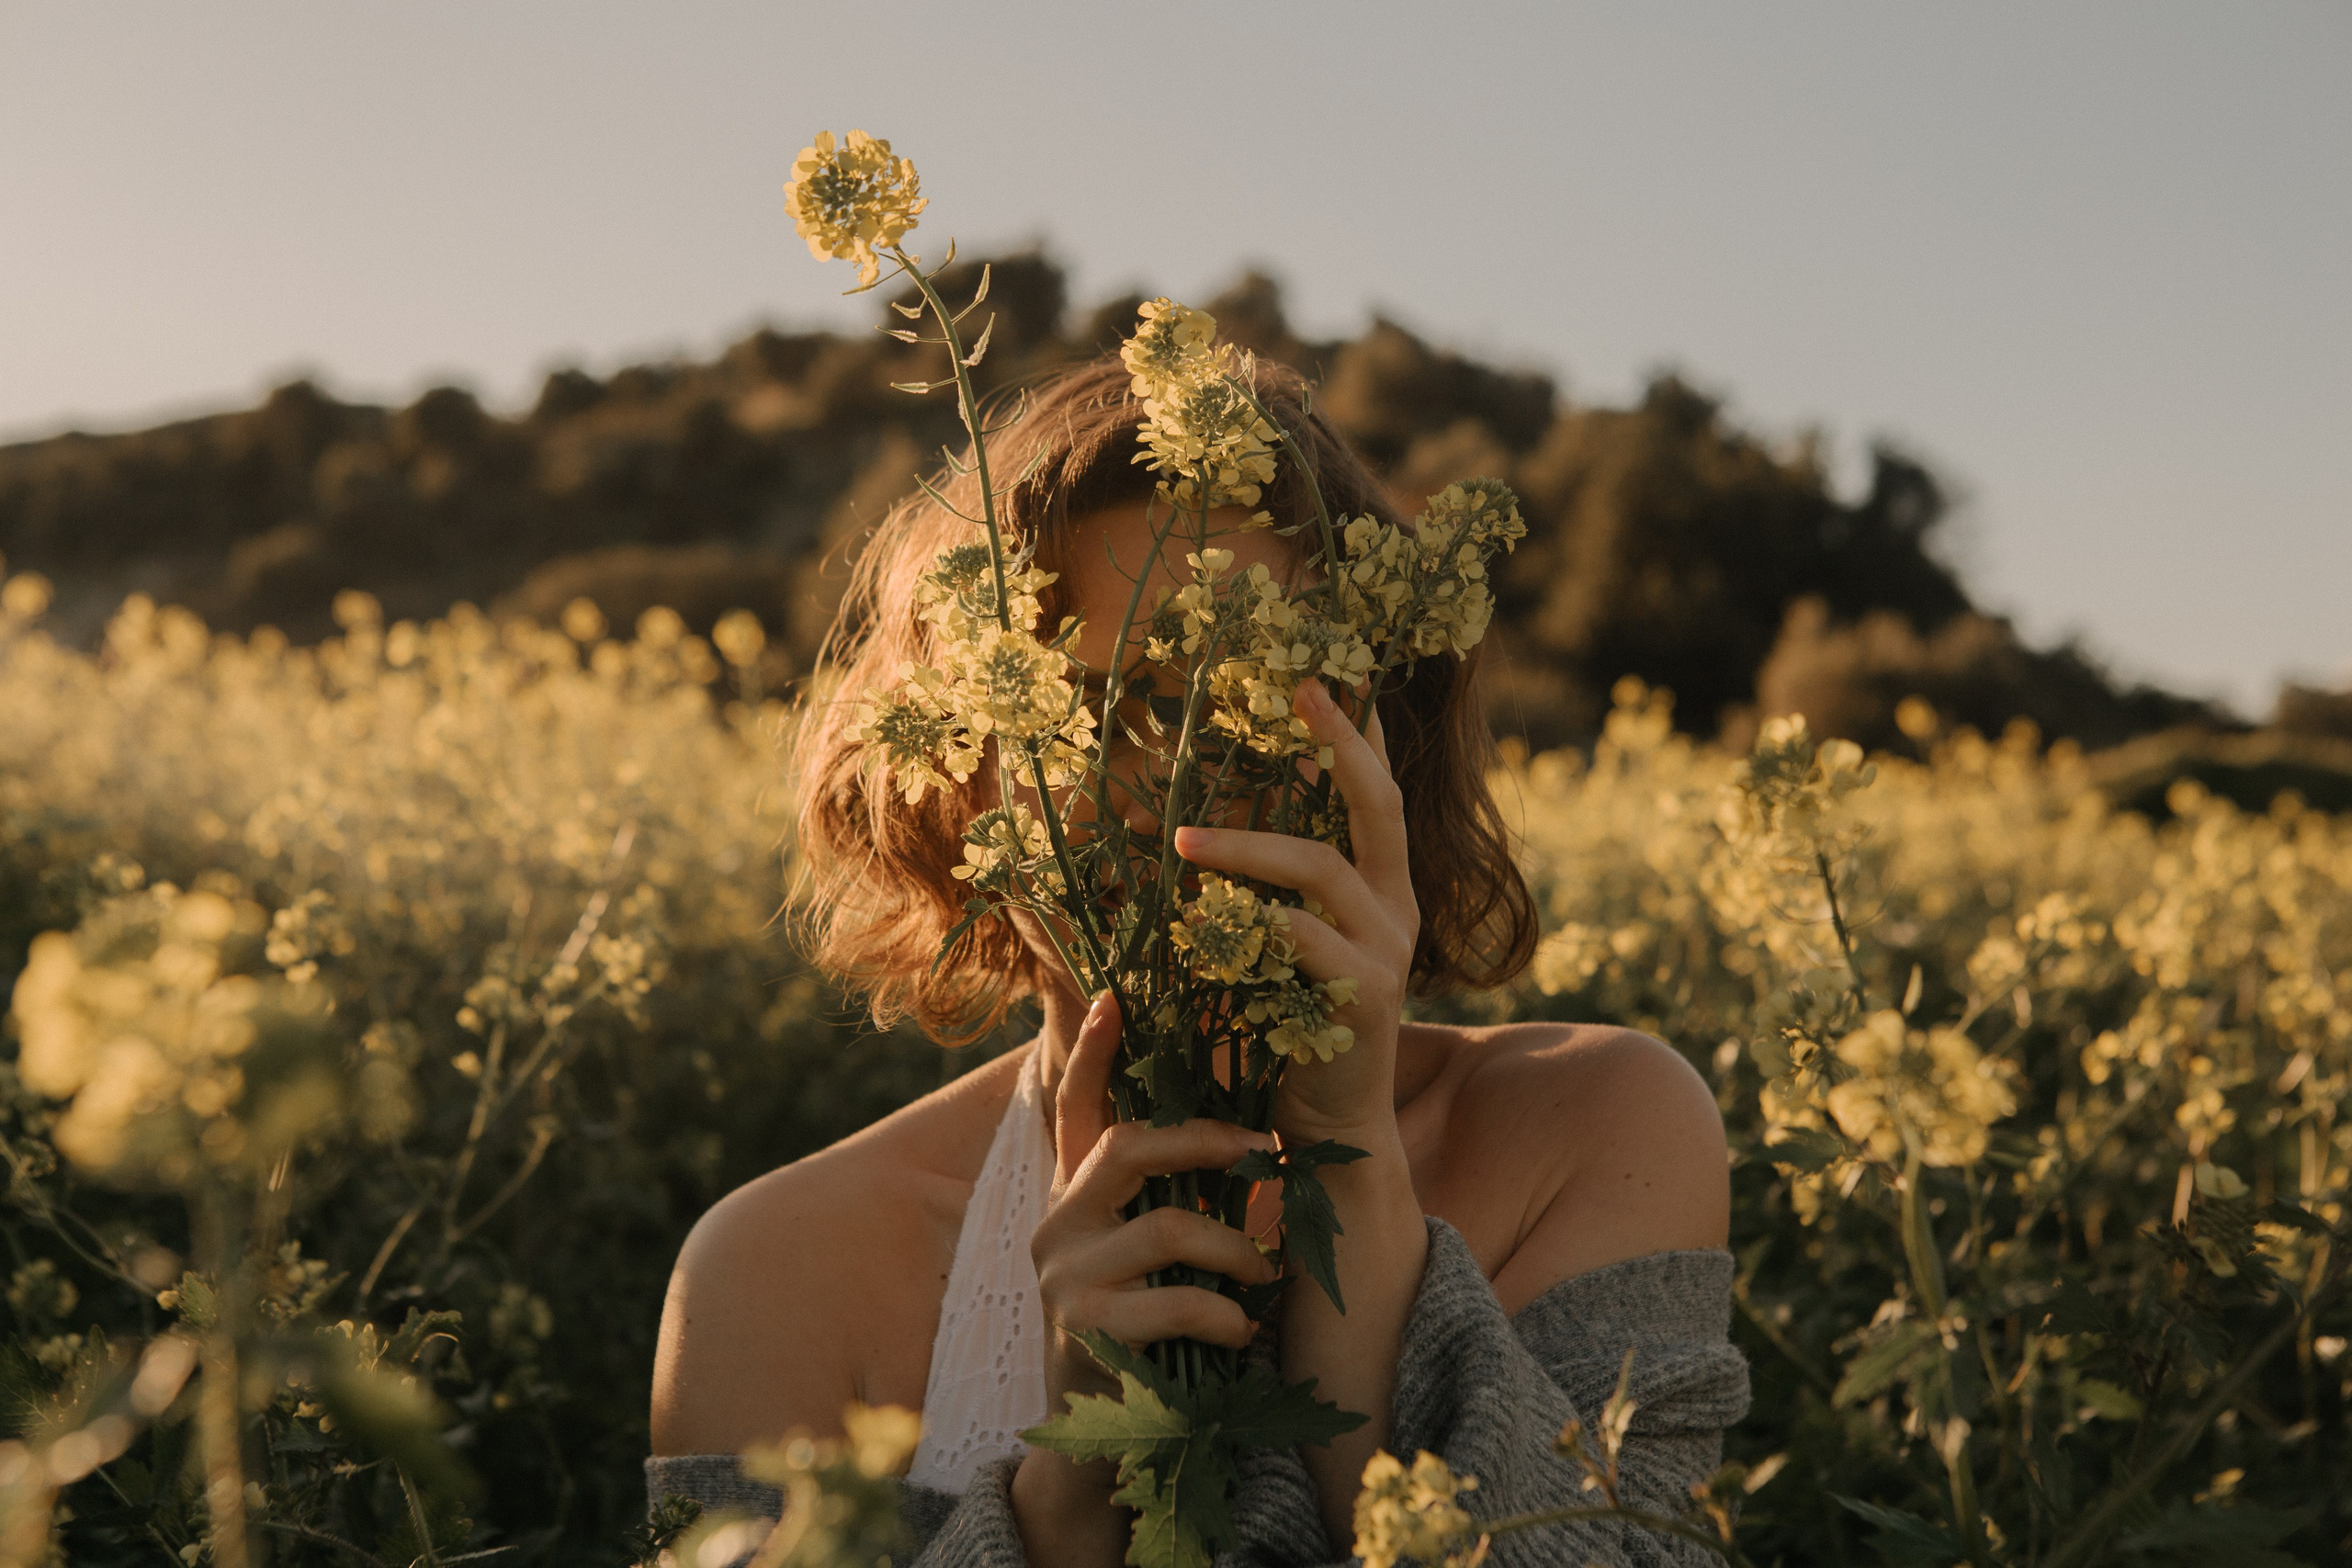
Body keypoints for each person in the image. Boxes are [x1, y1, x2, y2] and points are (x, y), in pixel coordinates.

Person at [648, 356, 1747, 1566]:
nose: (1181, 782)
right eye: (1102, 707)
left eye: (1254, 695)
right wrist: (1065, 1509)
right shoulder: (774, 1277)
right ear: (961, 774)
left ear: (1381, 741)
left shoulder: (1597, 1135)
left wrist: (1358, 1191)